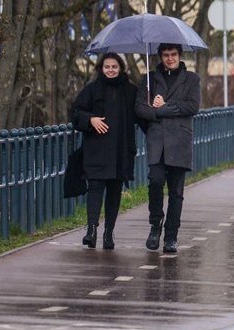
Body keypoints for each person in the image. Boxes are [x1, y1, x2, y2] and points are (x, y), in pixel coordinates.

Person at [136, 43, 201, 254]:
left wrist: (163, 107)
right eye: (166, 55)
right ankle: (156, 224)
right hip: (157, 140)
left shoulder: (192, 79)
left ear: (180, 56)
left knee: (176, 192)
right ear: (160, 56)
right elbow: (140, 109)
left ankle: (171, 236)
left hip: (180, 140)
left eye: (173, 54)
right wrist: (156, 111)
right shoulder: (149, 79)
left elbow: (192, 106)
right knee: (155, 181)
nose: (170, 58)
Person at [70, 53, 139, 249]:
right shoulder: (91, 90)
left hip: (121, 150)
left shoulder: (131, 91)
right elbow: (75, 112)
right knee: (95, 188)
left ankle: (109, 233)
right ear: (101, 68)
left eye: (114, 67)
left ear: (121, 68)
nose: (110, 70)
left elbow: (141, 115)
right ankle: (91, 230)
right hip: (97, 149)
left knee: (114, 191)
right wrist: (90, 119)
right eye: (107, 67)